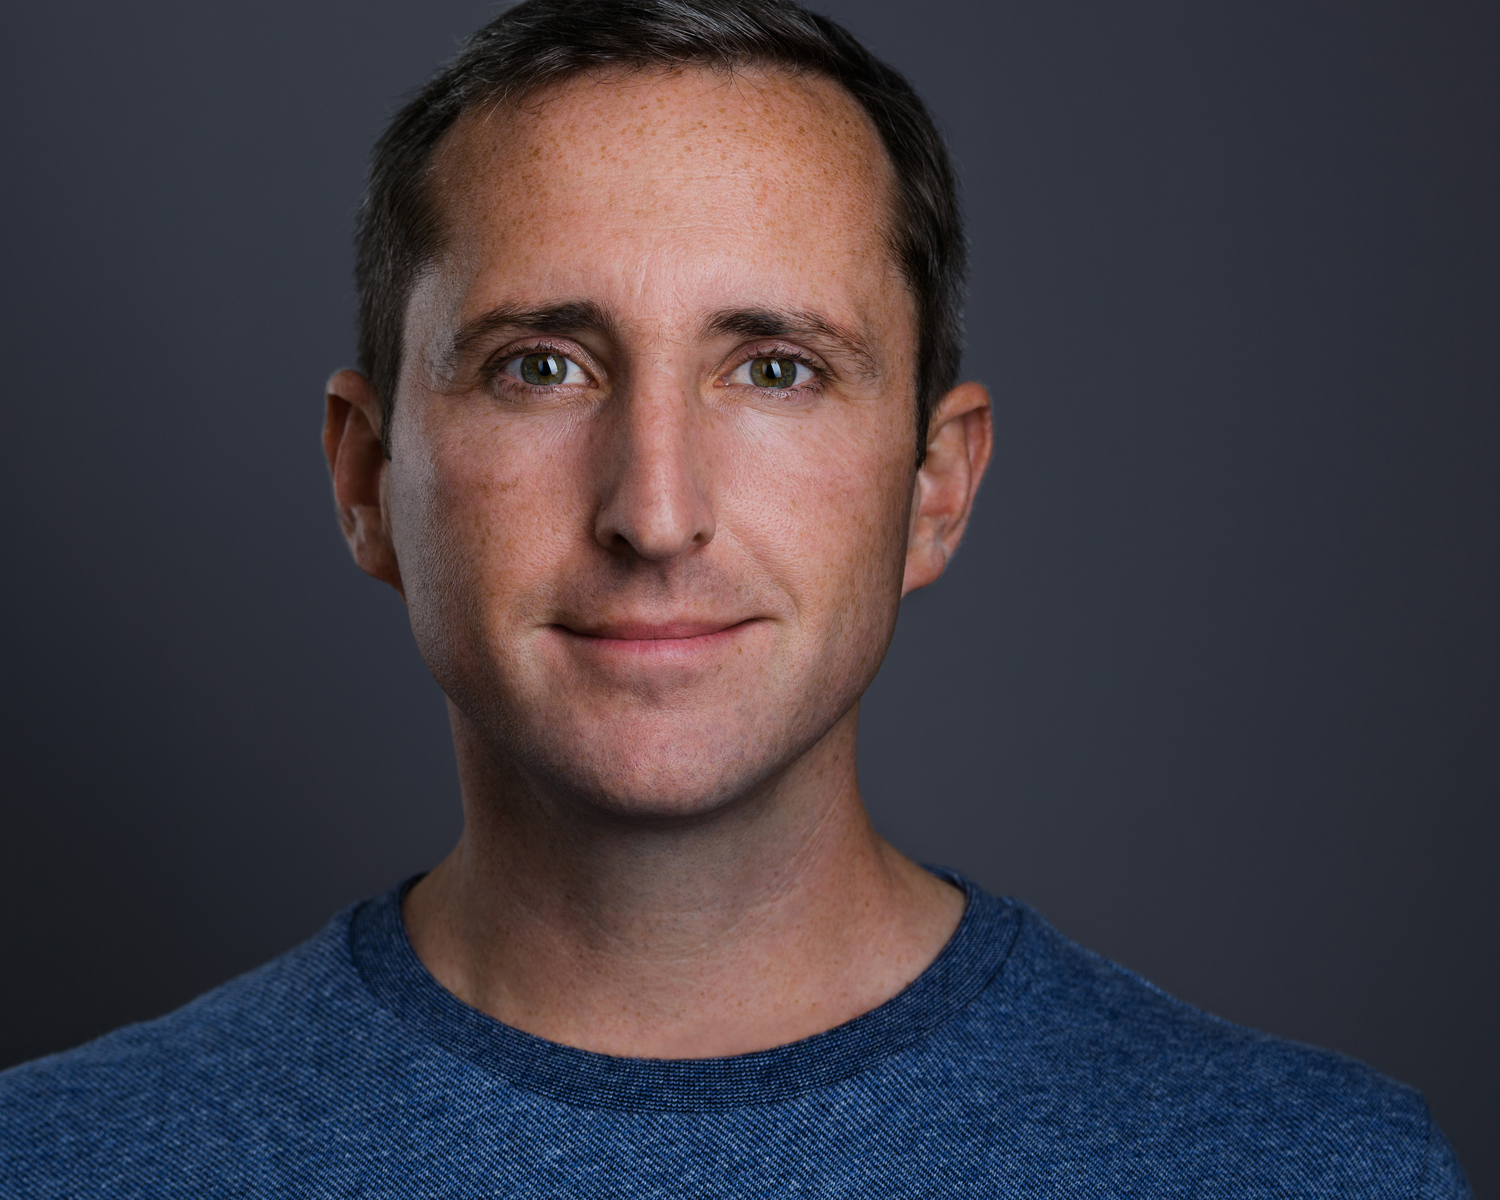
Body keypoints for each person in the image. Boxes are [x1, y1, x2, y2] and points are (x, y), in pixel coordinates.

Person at [0, 0, 1471, 1194]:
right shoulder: (59, 1165)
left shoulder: (1312, 1173)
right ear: (367, 476)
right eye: (541, 367)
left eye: (776, 369)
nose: (655, 512)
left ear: (935, 487)